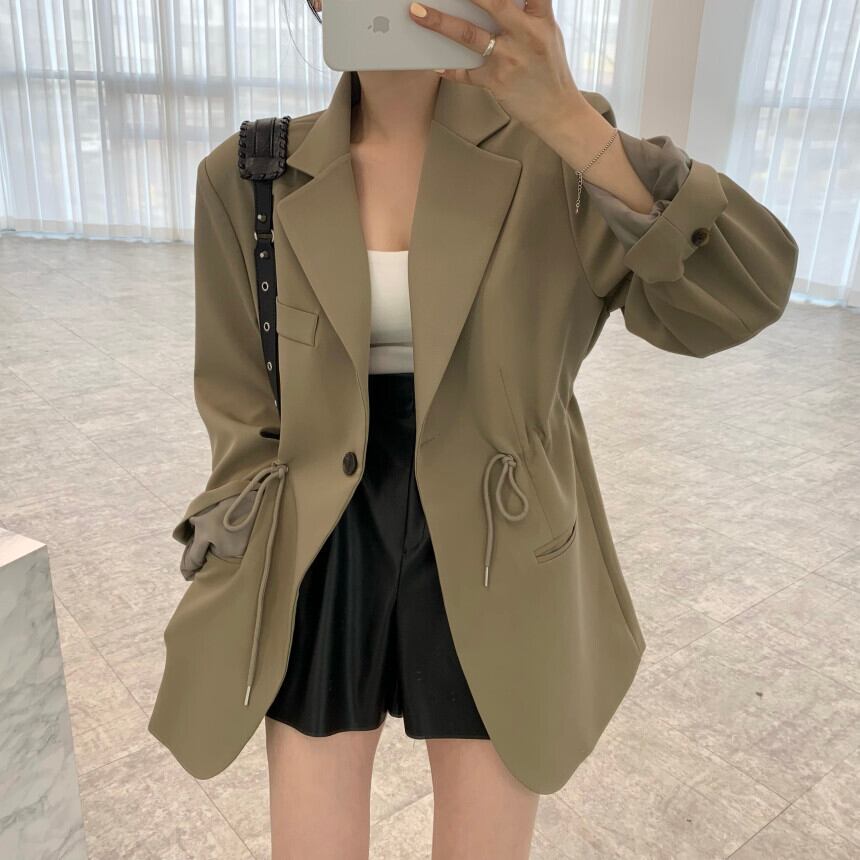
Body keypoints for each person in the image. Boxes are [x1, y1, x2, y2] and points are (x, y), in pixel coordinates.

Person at [148, 0, 800, 857]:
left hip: (500, 529)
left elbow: (743, 295)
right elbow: (241, 408)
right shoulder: (249, 175)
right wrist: (236, 538)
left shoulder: (557, 151)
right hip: (321, 536)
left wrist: (572, 122)